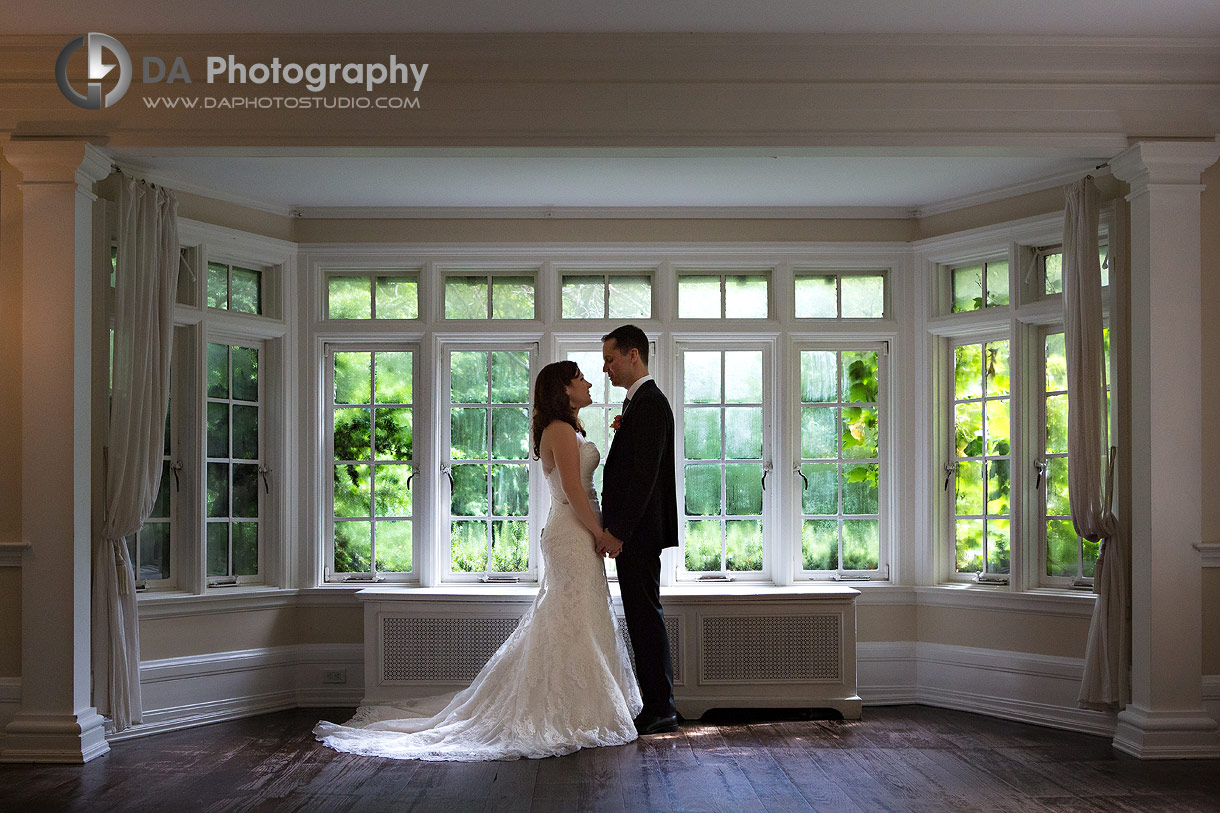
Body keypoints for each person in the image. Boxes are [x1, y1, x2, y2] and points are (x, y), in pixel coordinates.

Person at [314, 361, 642, 761]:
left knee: (577, 616)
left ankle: (584, 703)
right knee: (572, 616)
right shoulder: (559, 429)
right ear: (563, 389)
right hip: (574, 533)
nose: (589, 382)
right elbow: (574, 493)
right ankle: (568, 709)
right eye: (580, 379)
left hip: (575, 531)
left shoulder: (568, 429)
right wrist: (601, 534)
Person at [598, 325, 680, 736]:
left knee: (645, 617)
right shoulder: (639, 404)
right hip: (638, 533)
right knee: (643, 616)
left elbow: (643, 477)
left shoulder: (649, 404)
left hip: (639, 534)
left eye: (610, 359)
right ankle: (658, 704)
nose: (605, 368)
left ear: (634, 355)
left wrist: (619, 532)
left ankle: (661, 708)